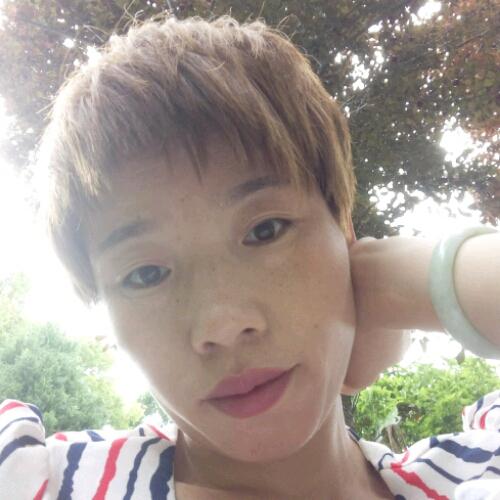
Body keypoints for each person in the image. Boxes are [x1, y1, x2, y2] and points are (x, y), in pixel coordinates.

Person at [0, 14, 499, 499]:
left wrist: (426, 283)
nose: (223, 324)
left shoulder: (472, 473)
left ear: (343, 232)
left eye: (265, 231)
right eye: (146, 273)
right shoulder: (41, 480)